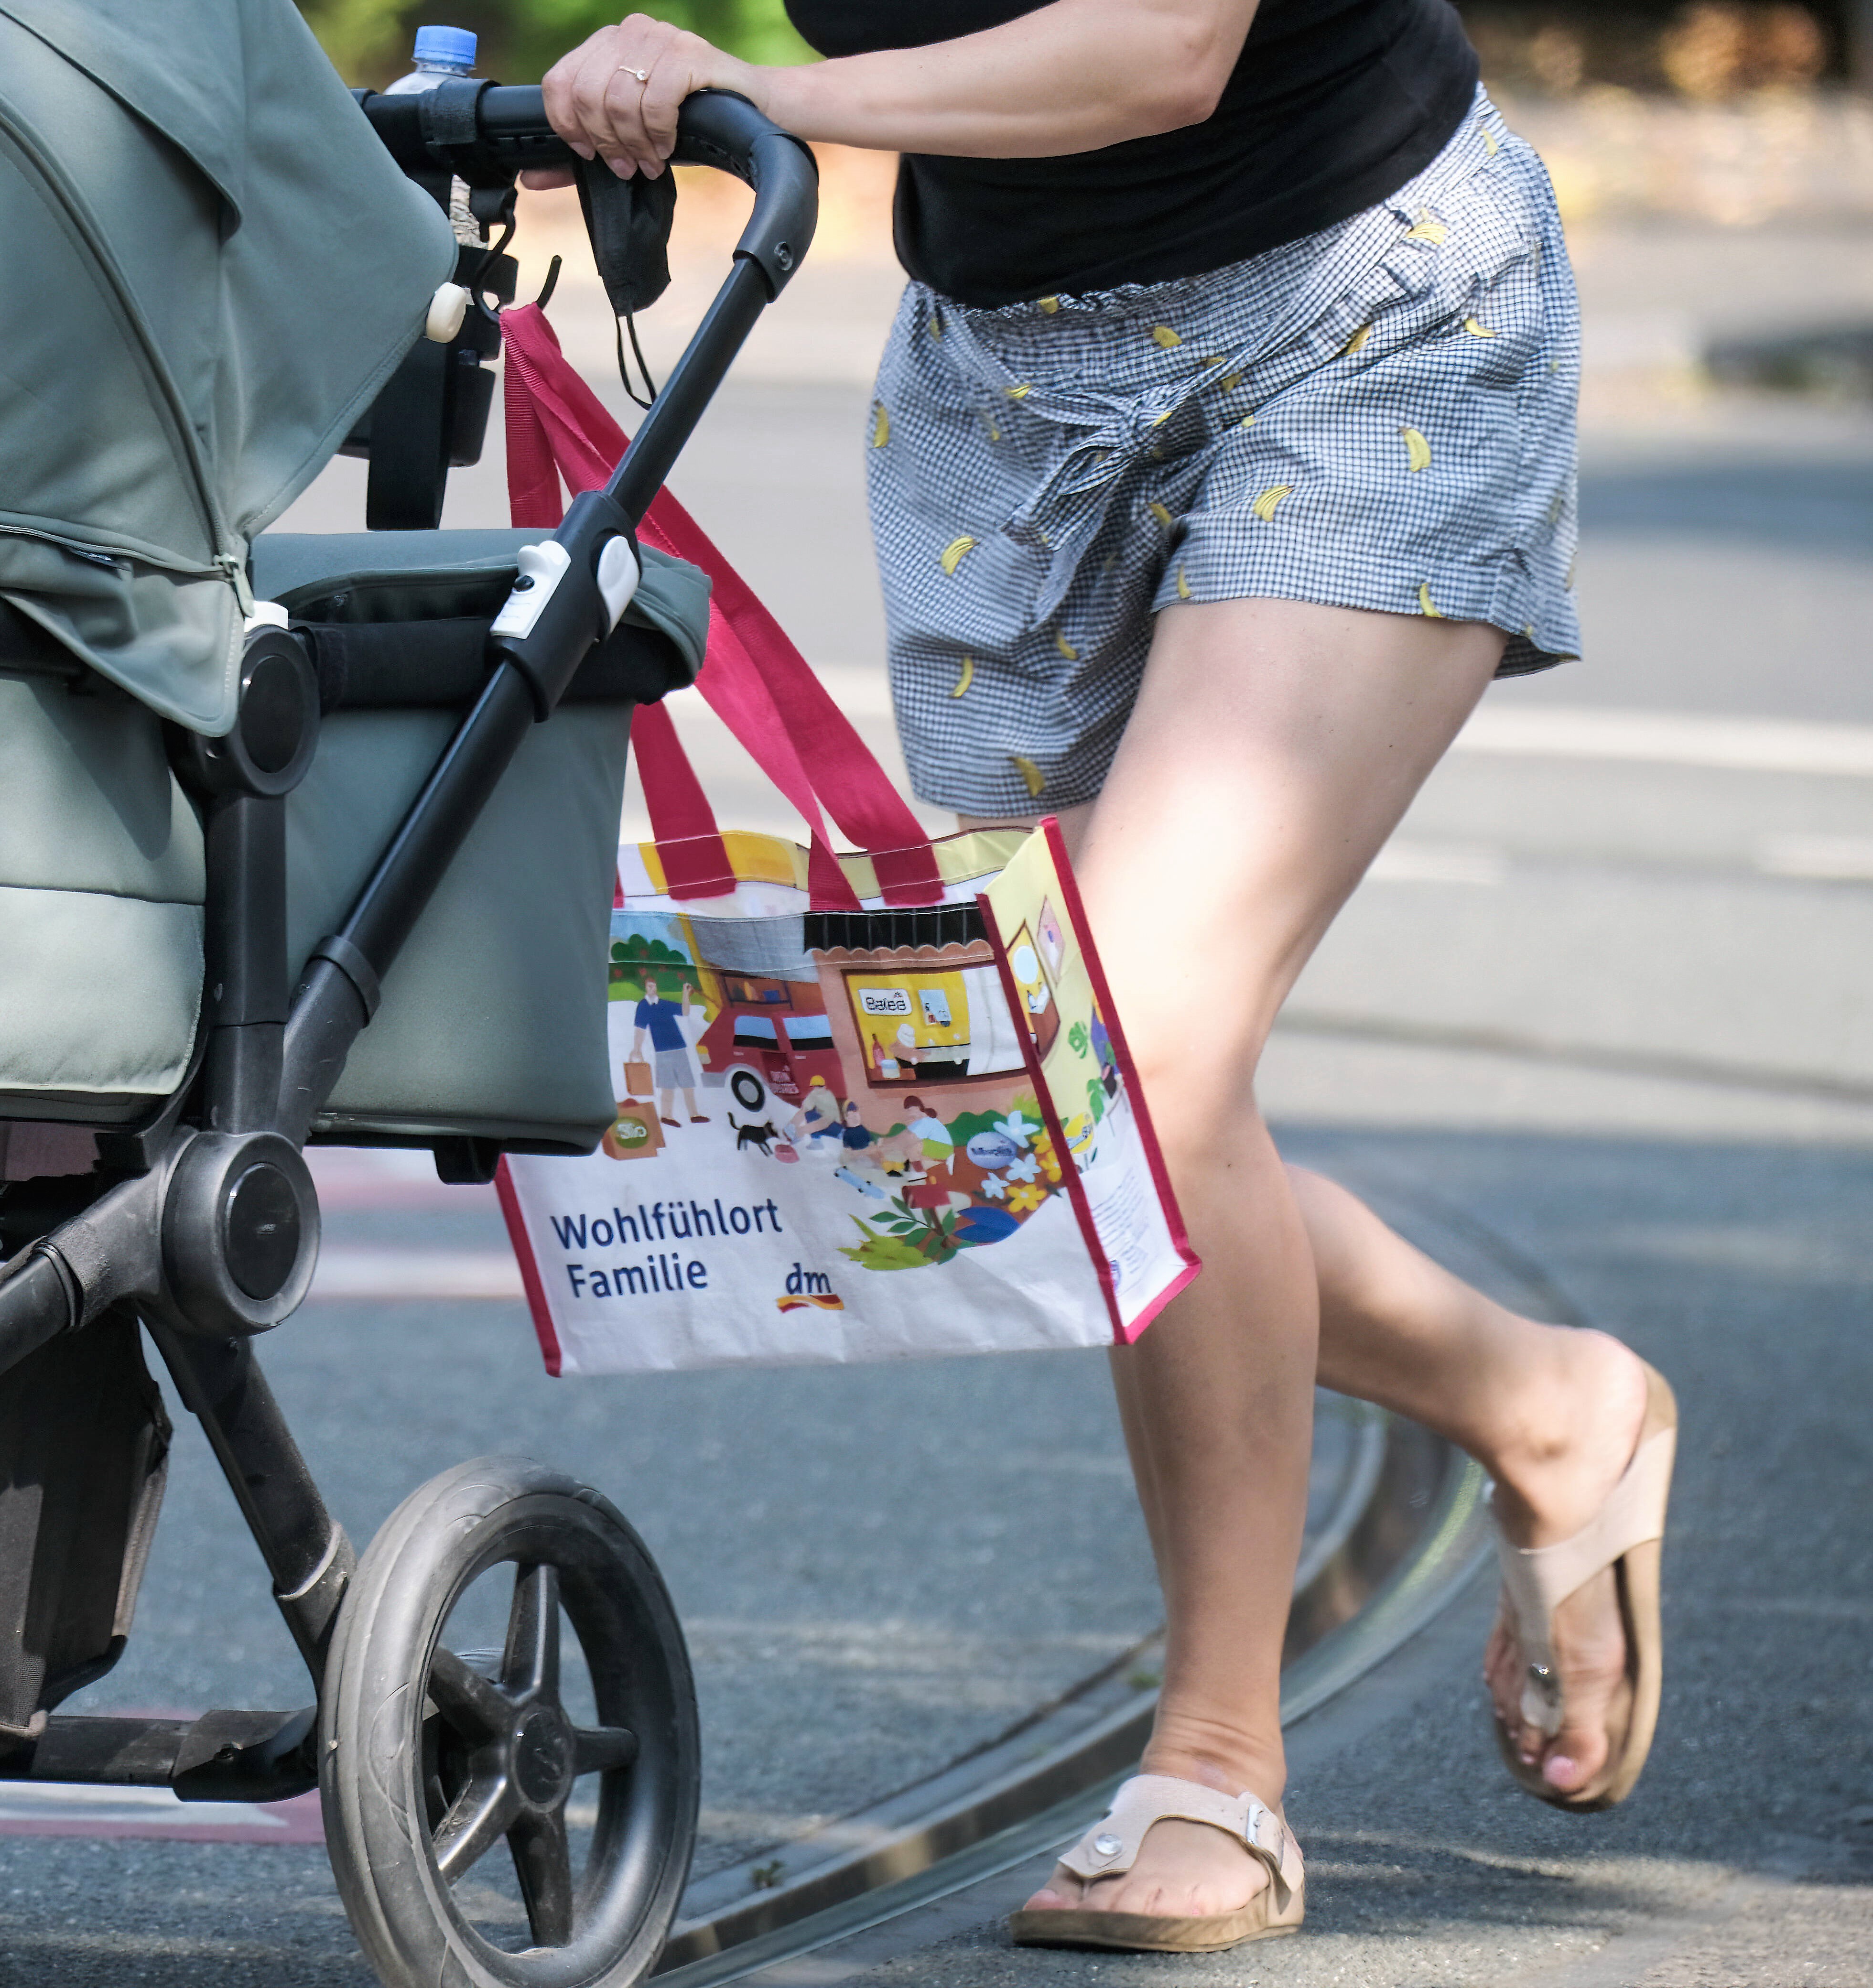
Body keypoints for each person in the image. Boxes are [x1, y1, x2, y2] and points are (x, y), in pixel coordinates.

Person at [528, 0, 1677, 1956]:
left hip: (1360, 319)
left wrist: (744, 97)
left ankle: (1220, 1754)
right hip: (1005, 386)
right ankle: (1541, 1394)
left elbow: (1158, 53)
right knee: (1062, 1096)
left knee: (1120, 1045)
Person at [629, 972, 709, 1124]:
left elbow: (685, 1012)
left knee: (687, 1084)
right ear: (645, 988)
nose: (653, 988)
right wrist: (637, 1049)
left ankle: (694, 1114)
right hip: (662, 1052)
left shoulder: (664, 1004)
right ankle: (667, 1116)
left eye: (654, 985)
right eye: (649, 986)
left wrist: (685, 994)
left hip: (679, 1048)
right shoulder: (643, 1006)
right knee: (667, 1086)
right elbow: (640, 1029)